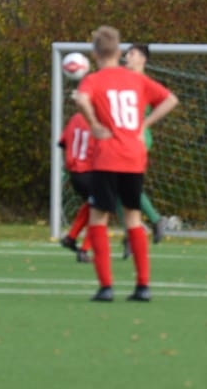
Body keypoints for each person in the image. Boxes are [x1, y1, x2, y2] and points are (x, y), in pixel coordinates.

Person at [74, 25, 179, 302]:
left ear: (95, 53)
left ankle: (106, 287)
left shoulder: (94, 80)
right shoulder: (136, 79)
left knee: (99, 218)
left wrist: (94, 124)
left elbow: (81, 99)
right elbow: (171, 99)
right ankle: (143, 286)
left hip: (107, 155)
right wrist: (144, 124)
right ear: (119, 51)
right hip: (134, 156)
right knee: (133, 218)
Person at [118, 42, 166, 257]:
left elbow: (167, 102)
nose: (127, 56)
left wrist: (145, 124)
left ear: (143, 59)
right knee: (118, 189)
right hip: (122, 138)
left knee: (124, 185)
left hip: (136, 139)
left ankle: (152, 222)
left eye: (132, 53)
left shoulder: (145, 83)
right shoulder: (122, 80)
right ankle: (135, 230)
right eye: (127, 53)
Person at [58, 105, 95, 263]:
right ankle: (84, 250)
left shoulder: (76, 118)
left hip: (75, 173)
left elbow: (63, 142)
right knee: (101, 211)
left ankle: (71, 237)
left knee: (92, 205)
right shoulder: (98, 119)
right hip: (90, 172)